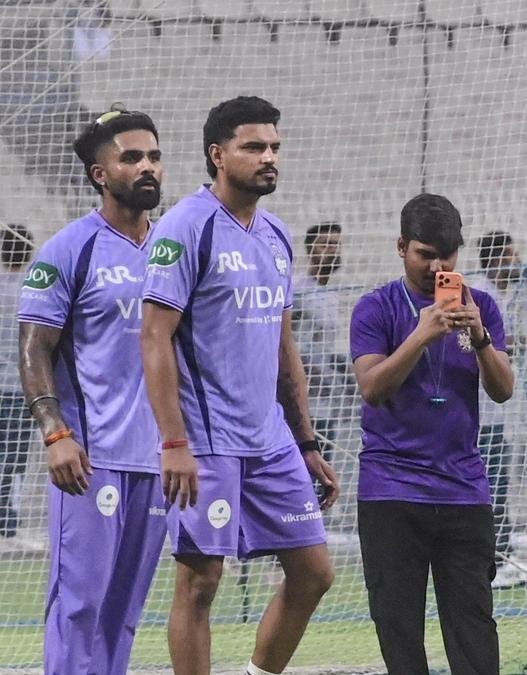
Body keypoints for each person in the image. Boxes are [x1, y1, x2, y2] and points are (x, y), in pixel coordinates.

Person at [140, 96, 339, 675]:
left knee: (314, 573)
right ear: (218, 155)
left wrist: (306, 441)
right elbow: (153, 339)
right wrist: (174, 443)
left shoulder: (277, 235)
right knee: (201, 582)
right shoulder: (185, 227)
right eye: (254, 147)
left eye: (274, 146)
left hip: (272, 442)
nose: (268, 157)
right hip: (207, 442)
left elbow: (284, 346)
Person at [17, 107, 167, 674]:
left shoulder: (174, 250)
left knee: (125, 610)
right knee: (80, 604)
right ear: (100, 174)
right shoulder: (68, 249)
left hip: (160, 459)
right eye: (132, 158)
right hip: (89, 459)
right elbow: (34, 348)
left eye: (154, 156)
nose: (148, 167)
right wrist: (56, 433)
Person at [351, 193, 513, 674]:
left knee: (474, 630)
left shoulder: (482, 306)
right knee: (398, 629)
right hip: (392, 490)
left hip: (463, 490)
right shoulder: (375, 308)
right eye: (425, 254)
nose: (437, 267)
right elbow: (373, 388)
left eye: (447, 255)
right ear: (402, 247)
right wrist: (421, 335)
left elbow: (503, 390)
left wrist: (480, 337)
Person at [474, 230, 527, 589]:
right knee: (488, 484)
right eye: (511, 255)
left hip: (496, 414)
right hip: (479, 413)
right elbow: (471, 341)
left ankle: (502, 553)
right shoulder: (480, 296)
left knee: (499, 481)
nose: (517, 262)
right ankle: (492, 558)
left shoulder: (505, 297)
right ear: (495, 259)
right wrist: (510, 342)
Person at [293, 221, 356, 527]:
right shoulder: (298, 292)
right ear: (310, 250)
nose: (333, 250)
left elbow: (326, 350)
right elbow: (289, 346)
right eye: (325, 244)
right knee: (300, 475)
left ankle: (314, 533)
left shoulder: (331, 293)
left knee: (321, 476)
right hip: (302, 406)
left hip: (327, 405)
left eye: (336, 244)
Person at [0, 224, 34, 537]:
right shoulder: (30, 288)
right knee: (15, 453)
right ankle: (7, 514)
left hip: (11, 384)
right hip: (21, 385)